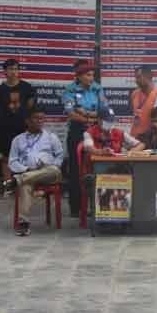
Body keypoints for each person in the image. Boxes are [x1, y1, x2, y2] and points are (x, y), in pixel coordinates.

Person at [3, 107, 64, 235]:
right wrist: (26, 169)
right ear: (28, 121)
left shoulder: (51, 137)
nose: (40, 121)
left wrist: (53, 165)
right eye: (36, 118)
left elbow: (60, 156)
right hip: (28, 172)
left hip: (49, 173)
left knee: (54, 170)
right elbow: (12, 162)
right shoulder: (18, 140)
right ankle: (23, 223)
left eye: (42, 118)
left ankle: (16, 180)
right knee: (25, 185)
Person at [61, 58, 105, 216]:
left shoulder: (97, 89)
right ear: (79, 76)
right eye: (88, 75)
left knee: (96, 167)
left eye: (92, 75)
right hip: (77, 131)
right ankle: (76, 208)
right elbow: (71, 113)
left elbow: (103, 110)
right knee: (76, 169)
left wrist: (85, 112)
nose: (91, 78)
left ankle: (98, 207)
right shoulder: (70, 90)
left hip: (95, 131)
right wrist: (88, 117)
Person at [0, 59, 37, 195]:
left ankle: (24, 187)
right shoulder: (1, 89)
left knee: (25, 157)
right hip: (4, 128)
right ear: (5, 71)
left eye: (16, 69)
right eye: (10, 69)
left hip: (23, 127)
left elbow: (31, 106)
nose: (13, 72)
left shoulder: (27, 87)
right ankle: (8, 187)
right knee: (6, 158)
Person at [129, 65, 157, 140]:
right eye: (135, 78)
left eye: (139, 77)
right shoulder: (134, 94)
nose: (136, 80)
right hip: (134, 138)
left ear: (148, 76)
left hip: (149, 140)